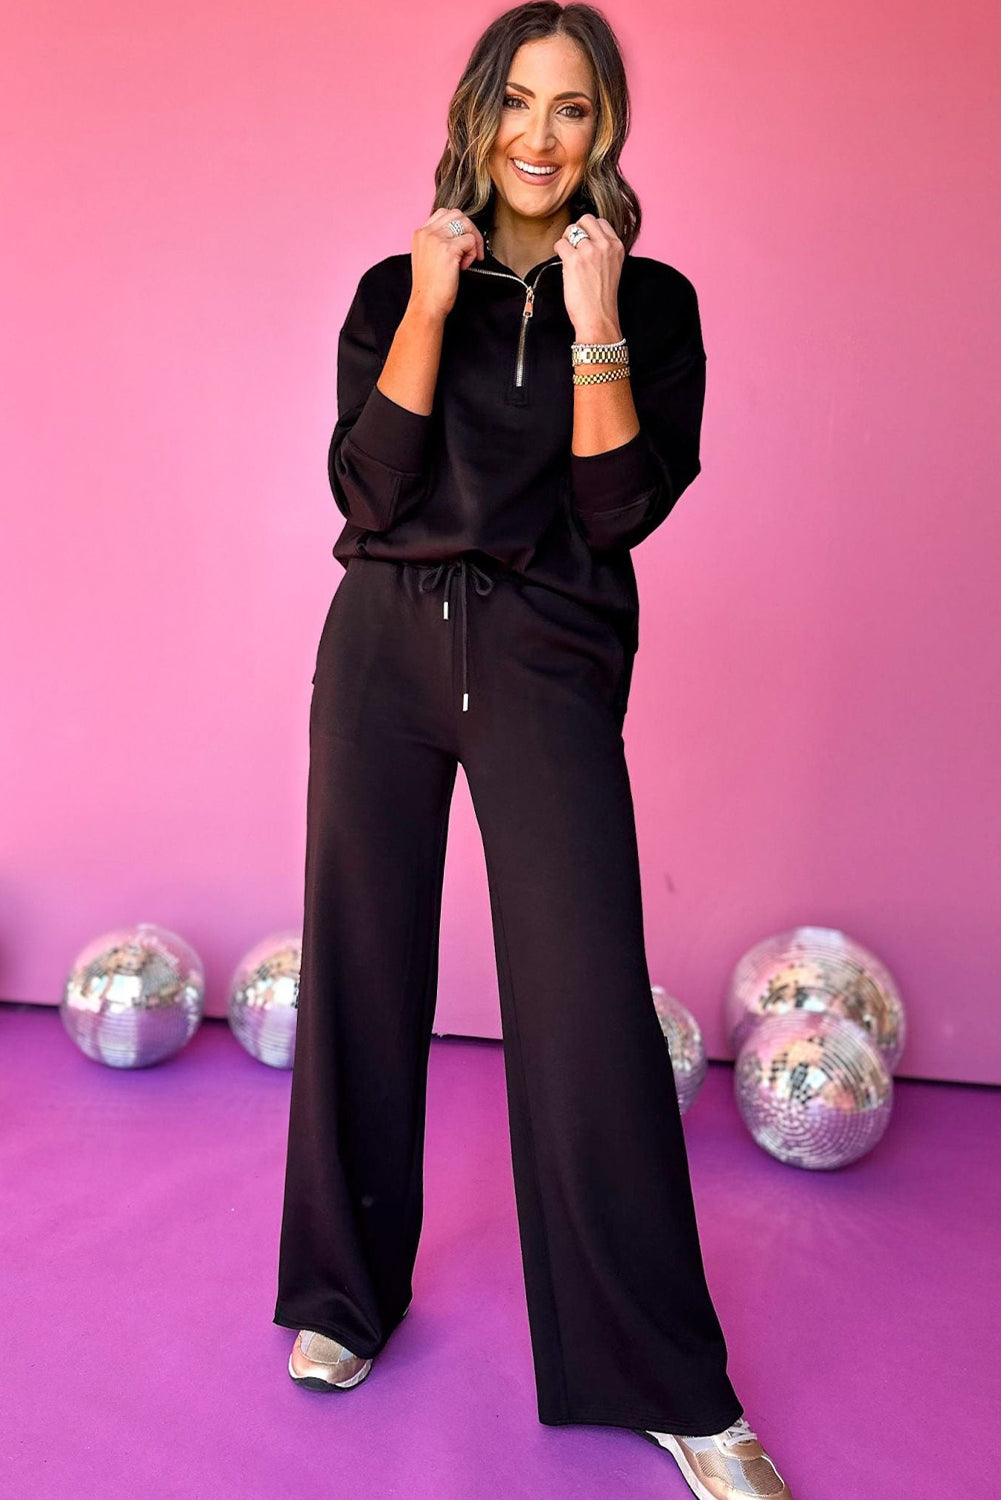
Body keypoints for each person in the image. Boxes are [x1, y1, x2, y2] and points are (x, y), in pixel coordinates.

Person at [273, 5, 794, 1497]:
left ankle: (664, 1381)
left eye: (572, 108)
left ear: (603, 129)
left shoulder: (652, 300)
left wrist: (594, 314)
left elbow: (620, 508)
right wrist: (433, 303)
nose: (540, 135)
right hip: (381, 643)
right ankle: (340, 1297)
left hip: (543, 656)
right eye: (518, 100)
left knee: (583, 1003)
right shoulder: (395, 285)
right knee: (361, 961)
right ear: (477, 111)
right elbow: (369, 491)